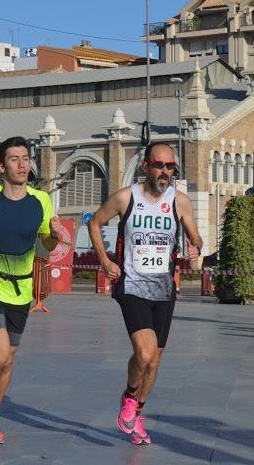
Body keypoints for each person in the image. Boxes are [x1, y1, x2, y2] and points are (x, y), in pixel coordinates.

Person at [88, 142, 202, 446]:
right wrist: (103, 260)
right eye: (159, 165)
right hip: (131, 284)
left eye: (170, 167)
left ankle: (136, 412)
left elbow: (195, 235)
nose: (164, 172)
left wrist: (195, 244)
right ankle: (128, 396)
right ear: (145, 167)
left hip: (164, 288)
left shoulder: (180, 201)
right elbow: (95, 222)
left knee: (154, 362)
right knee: (145, 353)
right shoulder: (126, 198)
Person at [0, 136, 63, 444]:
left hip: (21, 291)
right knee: (0, 354)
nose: (22, 165)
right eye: (15, 159)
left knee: (6, 360)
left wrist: (55, 237)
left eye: (25, 159)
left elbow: (46, 242)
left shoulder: (41, 201)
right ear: (1, 166)